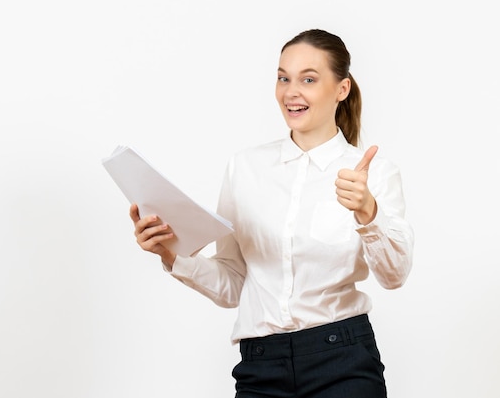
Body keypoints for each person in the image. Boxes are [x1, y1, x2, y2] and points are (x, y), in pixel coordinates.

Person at [130, 28, 414, 398]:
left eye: (308, 79)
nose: (291, 92)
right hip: (261, 366)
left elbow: (394, 276)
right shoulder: (245, 168)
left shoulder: (373, 173)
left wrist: (368, 211)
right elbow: (234, 283)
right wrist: (172, 255)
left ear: (341, 89)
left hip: (342, 359)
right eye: (283, 78)